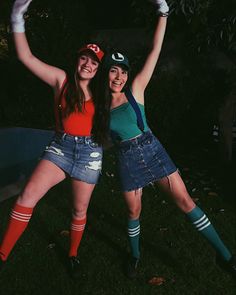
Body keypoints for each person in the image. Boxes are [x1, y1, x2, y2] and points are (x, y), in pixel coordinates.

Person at [98, 0, 236, 280]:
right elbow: (106, 138)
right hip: (126, 159)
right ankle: (135, 256)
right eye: (114, 70)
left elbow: (155, 50)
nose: (119, 75)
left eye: (123, 70)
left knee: (186, 201)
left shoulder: (135, 90)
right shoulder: (98, 107)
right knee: (133, 210)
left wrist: (163, 11)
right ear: (106, 73)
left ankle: (226, 257)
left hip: (152, 151)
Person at [0, 0, 106, 278]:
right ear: (77, 60)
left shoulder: (104, 96)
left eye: (94, 61)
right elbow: (27, 58)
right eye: (84, 57)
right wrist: (17, 17)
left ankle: (72, 254)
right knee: (26, 196)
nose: (87, 63)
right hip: (60, 149)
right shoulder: (61, 81)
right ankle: (2, 255)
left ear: (98, 69)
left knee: (79, 208)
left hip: (89, 155)